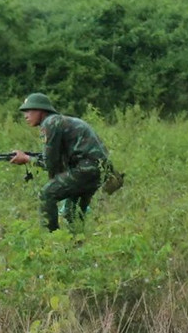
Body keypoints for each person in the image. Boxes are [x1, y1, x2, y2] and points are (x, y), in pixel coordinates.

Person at [6, 92, 111, 232]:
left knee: (47, 194)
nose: (26, 115)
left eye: (29, 110)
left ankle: (51, 240)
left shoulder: (50, 123)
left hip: (87, 169)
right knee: (71, 213)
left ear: (41, 110)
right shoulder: (58, 121)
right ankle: (76, 246)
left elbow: (49, 163)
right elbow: (57, 162)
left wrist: (26, 159)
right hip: (95, 170)